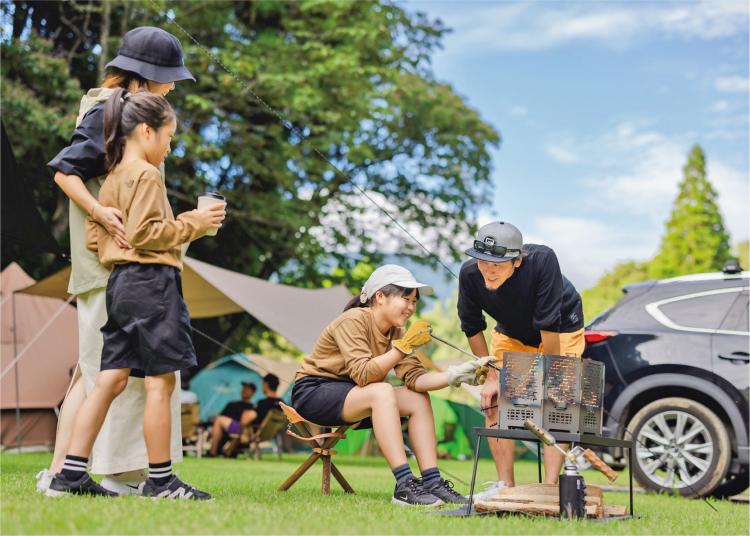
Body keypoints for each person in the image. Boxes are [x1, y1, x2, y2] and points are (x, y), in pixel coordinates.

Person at [38, 27, 197, 496]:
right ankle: (119, 474)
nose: (172, 86)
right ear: (146, 76)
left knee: (95, 375)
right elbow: (66, 171)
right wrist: (101, 213)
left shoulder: (125, 111)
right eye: (169, 78)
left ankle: (61, 473)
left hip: (121, 262)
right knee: (117, 374)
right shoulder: (107, 110)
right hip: (113, 265)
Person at [292, 264, 493, 506]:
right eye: (405, 299)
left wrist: (455, 375)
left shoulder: (397, 332)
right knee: (382, 391)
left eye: (414, 302)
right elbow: (364, 375)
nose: (411, 308)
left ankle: (432, 482)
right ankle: (404, 485)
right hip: (314, 392)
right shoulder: (353, 320)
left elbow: (416, 379)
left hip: (353, 395)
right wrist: (404, 347)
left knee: (417, 398)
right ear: (380, 297)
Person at [457, 221, 584, 499]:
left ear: (517, 261)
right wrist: (491, 375)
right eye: (483, 261)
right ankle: (505, 485)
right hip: (511, 332)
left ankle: (550, 489)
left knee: (557, 400)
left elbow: (549, 326)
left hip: (560, 328)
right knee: (493, 398)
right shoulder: (469, 274)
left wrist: (547, 382)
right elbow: (471, 326)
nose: (488, 270)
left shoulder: (543, 261)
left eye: (497, 264)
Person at [207, 382, 257, 457]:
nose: (244, 390)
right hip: (226, 430)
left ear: (253, 392)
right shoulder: (232, 404)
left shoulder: (252, 408)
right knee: (218, 420)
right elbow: (221, 416)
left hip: (241, 430)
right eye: (243, 388)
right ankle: (222, 451)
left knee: (219, 420)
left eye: (247, 389)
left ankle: (212, 452)